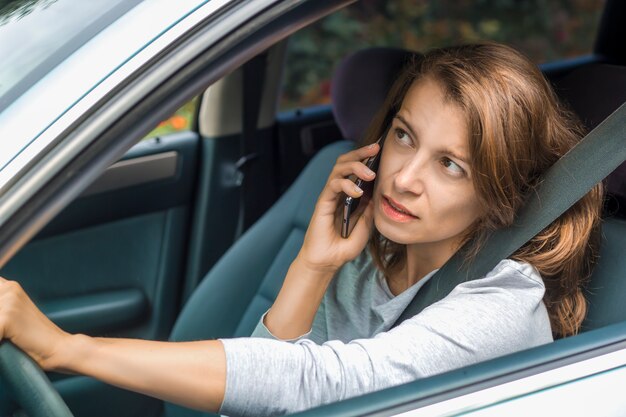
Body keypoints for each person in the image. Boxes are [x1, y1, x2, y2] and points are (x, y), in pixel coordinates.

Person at [0, 43, 603, 416]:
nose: (404, 178)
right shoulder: (374, 249)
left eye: (450, 164)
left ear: (502, 189)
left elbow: (323, 385)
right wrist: (314, 265)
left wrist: (65, 348)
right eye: (404, 136)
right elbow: (258, 401)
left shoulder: (502, 307)